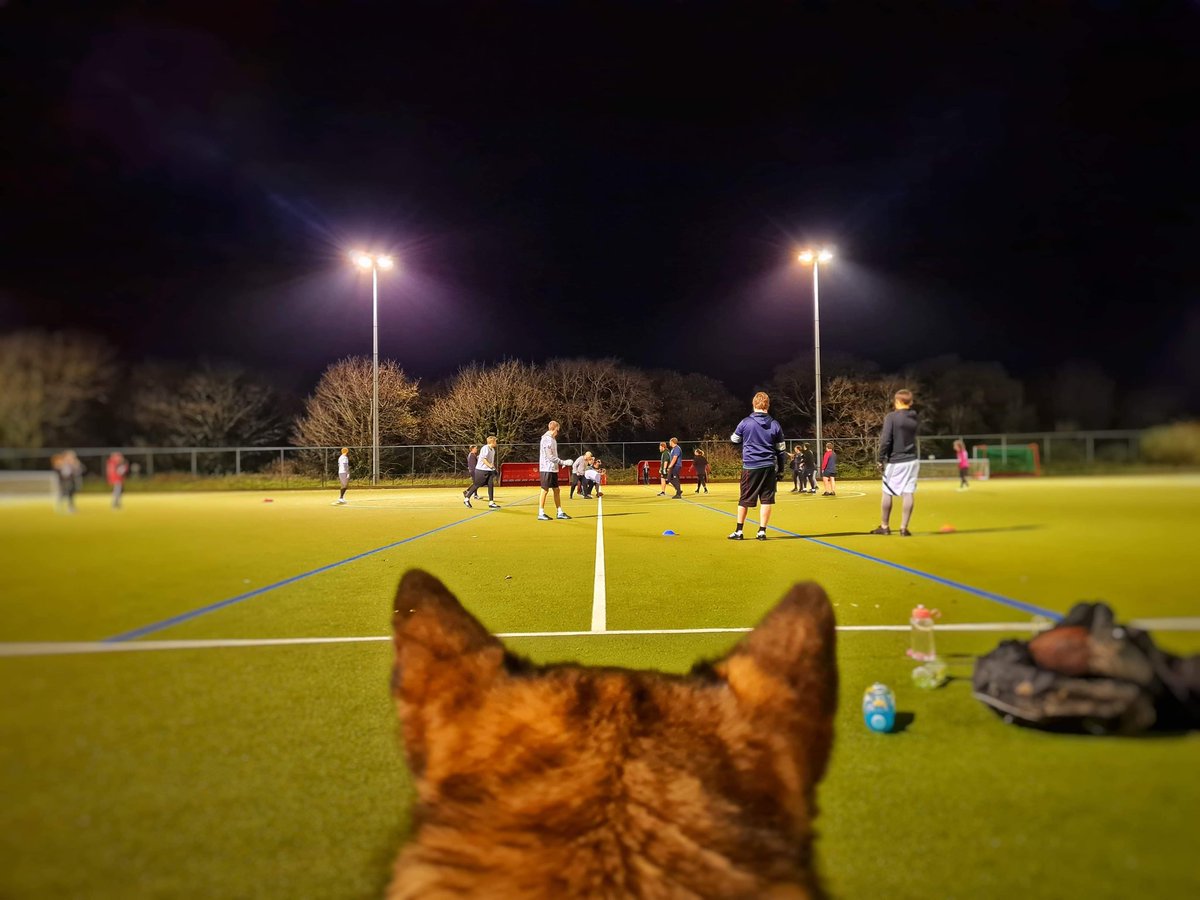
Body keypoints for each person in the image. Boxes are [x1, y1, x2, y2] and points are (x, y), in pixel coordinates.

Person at [727, 392, 786, 541]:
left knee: (744, 499)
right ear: (768, 405)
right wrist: (781, 469)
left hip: (751, 466)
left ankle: (739, 531)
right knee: (767, 500)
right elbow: (781, 450)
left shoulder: (746, 422)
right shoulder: (775, 424)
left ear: (753, 404)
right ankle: (762, 531)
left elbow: (734, 439)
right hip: (769, 466)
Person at [871, 389, 920, 537]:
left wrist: (880, 458)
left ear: (897, 401)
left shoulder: (891, 417)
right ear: (911, 402)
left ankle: (885, 526)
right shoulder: (914, 417)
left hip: (896, 461)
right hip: (912, 460)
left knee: (887, 492)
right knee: (908, 492)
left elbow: (885, 440)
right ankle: (904, 528)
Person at [537, 420, 572, 521]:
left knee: (556, 490)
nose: (558, 432)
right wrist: (563, 462)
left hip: (552, 468)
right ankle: (541, 513)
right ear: (555, 428)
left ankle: (559, 512)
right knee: (544, 490)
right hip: (547, 468)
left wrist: (560, 464)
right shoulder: (547, 439)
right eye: (558, 430)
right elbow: (550, 456)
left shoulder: (552, 439)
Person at [465, 435, 500, 509]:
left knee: (490, 485)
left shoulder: (493, 450)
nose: (496, 443)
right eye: (495, 441)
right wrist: (491, 467)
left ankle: (491, 502)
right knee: (477, 485)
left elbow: (491, 462)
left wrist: (494, 469)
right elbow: (484, 459)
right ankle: (466, 499)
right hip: (481, 470)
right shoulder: (485, 448)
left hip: (489, 470)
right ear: (492, 442)